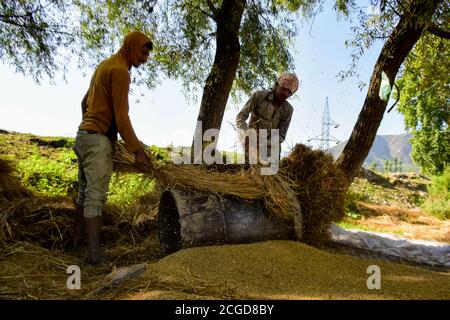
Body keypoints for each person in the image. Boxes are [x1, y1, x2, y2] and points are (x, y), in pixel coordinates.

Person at [73, 31, 153, 265]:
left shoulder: (105, 65)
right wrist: (137, 151)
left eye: (147, 54)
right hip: (96, 141)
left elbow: (84, 103)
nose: (145, 58)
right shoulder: (120, 71)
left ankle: (76, 242)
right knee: (95, 198)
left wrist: (91, 128)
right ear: (131, 47)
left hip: (84, 137)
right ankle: (95, 256)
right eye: (143, 51)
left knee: (84, 194)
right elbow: (121, 116)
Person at [236, 73, 299, 162]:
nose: (285, 93)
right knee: (248, 173)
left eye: (289, 92)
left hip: (271, 152)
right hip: (251, 146)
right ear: (276, 85)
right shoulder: (258, 96)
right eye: (283, 89)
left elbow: (281, 136)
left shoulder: (288, 110)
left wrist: (264, 144)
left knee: (269, 174)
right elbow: (241, 116)